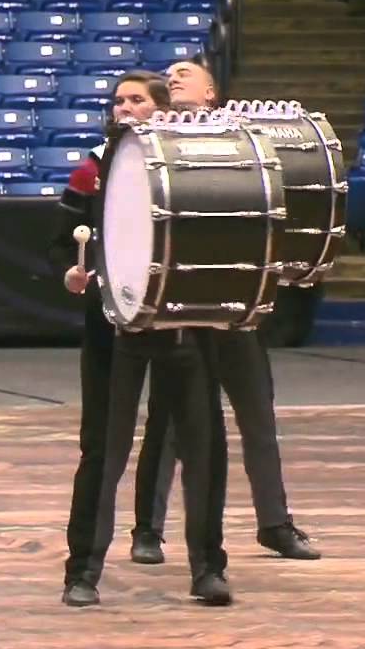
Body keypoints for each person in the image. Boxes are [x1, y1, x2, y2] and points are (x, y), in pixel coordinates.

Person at [130, 60, 321, 561]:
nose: (174, 78)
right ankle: (147, 529)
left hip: (235, 299)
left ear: (211, 92)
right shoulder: (151, 141)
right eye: (169, 76)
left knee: (257, 417)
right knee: (168, 422)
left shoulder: (248, 141)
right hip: (178, 303)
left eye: (186, 74)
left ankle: (275, 522)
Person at [55, 71, 231, 607]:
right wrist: (70, 269)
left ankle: (208, 569)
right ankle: (82, 572)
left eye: (136, 100)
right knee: (102, 451)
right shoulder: (93, 166)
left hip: (184, 323)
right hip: (113, 323)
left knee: (203, 449)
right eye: (118, 100)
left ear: (161, 108)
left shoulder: (197, 166)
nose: (124, 108)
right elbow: (62, 242)